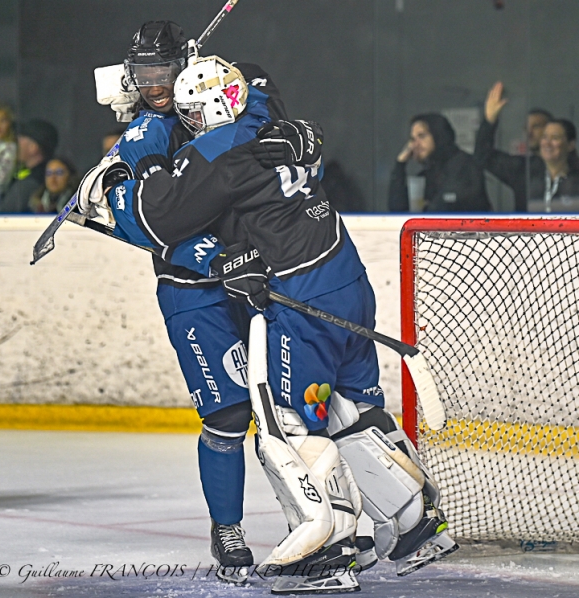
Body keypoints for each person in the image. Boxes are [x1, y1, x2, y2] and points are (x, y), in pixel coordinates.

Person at [83, 53, 458, 593]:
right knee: (353, 407)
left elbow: (160, 216)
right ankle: (415, 524)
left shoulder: (215, 149)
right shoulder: (268, 123)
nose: (185, 119)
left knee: (286, 424)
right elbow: (263, 86)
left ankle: (324, 551)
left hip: (300, 297)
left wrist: (138, 165)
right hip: (347, 280)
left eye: (191, 110)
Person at [91, 21, 315, 586]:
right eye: (142, 76)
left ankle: (321, 521)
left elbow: (268, 116)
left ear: (185, 63)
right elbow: (151, 223)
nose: (154, 85)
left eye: (162, 72)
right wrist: (215, 260)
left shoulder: (228, 88)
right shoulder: (145, 136)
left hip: (264, 273)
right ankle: (228, 528)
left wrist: (238, 88)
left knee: (292, 406)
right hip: (196, 294)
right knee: (228, 416)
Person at [474, 81, 554, 211]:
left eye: (536, 126)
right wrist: (489, 121)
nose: (529, 132)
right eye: (526, 128)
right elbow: (483, 156)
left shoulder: (572, 166)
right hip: (528, 230)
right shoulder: (522, 168)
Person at [389, 113, 491, 212]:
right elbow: (397, 210)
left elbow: (449, 204)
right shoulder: (427, 174)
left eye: (422, 136)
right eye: (413, 139)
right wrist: (400, 165)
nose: (415, 144)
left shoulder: (465, 165)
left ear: (438, 135)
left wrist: (427, 208)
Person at [0, 118, 58, 213]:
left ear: (33, 147)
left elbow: (3, 215)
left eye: (19, 140)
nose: (14, 145)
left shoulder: (31, 183)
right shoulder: (35, 176)